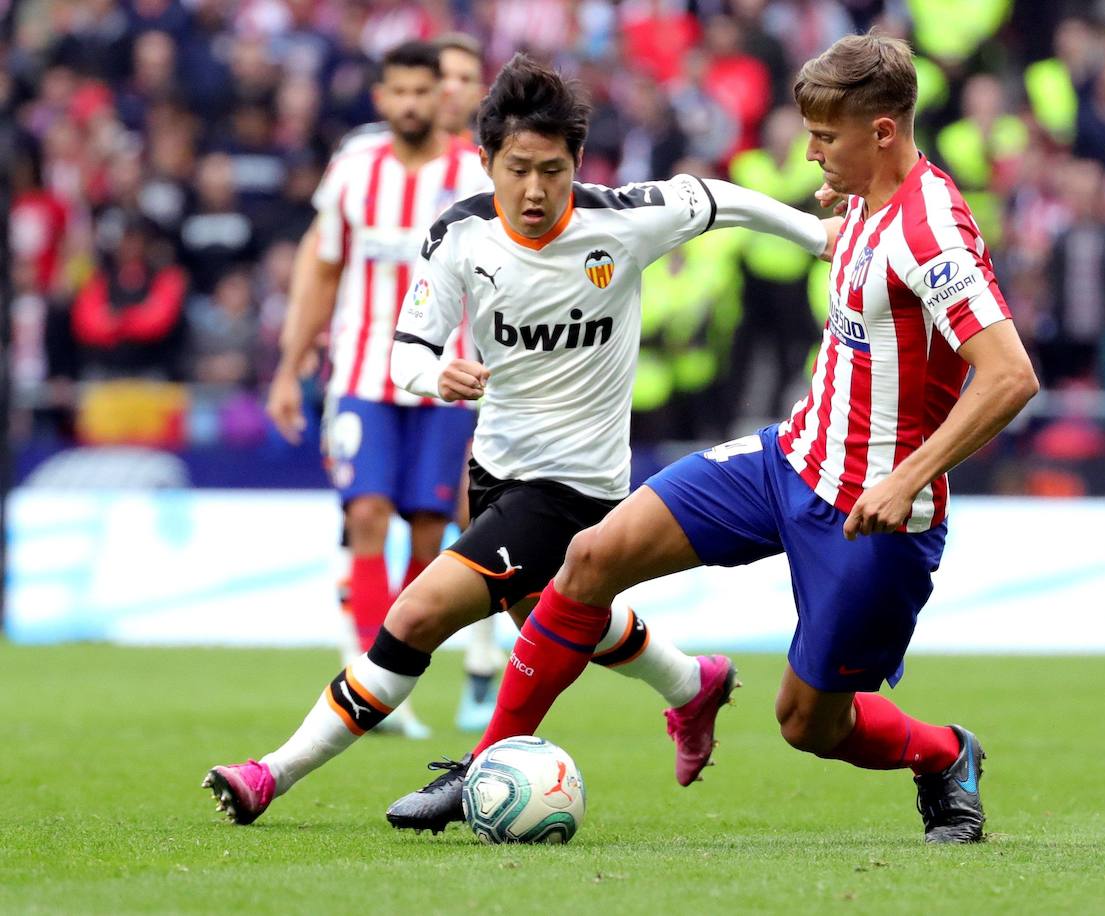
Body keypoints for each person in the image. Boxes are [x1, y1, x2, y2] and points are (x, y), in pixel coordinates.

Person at [388, 34, 1038, 844]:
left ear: (881, 133)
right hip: (788, 460)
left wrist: (907, 478)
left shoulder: (929, 228)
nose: (809, 154)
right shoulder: (864, 199)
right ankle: (482, 768)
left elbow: (1010, 375)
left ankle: (945, 757)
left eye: (825, 138)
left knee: (808, 723)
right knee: (590, 559)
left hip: (871, 511)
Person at [204, 53, 836, 827]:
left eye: (551, 170)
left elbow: (719, 198)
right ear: (485, 162)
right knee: (555, 614)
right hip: (495, 468)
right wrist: (432, 375)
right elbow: (408, 344)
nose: (533, 191)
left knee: (415, 616)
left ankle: (271, 774)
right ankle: (692, 683)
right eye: (516, 170)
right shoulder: (462, 236)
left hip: (577, 488)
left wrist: (817, 237)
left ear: (577, 162)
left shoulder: (623, 220)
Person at [267, 35, 504, 734]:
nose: (410, 103)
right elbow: (324, 268)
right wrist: (289, 364)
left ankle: (392, 672)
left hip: (444, 376)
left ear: (443, 99)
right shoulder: (353, 169)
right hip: (364, 370)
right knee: (365, 513)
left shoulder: (473, 174)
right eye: (397, 92)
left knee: (430, 527)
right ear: (381, 99)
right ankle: (368, 676)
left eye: (422, 92)